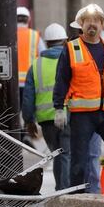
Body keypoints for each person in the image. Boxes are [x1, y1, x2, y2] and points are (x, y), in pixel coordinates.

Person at [52, 3, 104, 198]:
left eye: (96, 20)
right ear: (81, 24)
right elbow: (62, 80)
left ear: (102, 24)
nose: (92, 25)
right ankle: (76, 197)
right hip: (82, 115)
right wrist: (59, 108)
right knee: (78, 159)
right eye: (88, 21)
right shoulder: (71, 48)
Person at [23, 23, 71, 190]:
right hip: (68, 115)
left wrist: (29, 121)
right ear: (65, 42)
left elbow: (28, 97)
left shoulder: (36, 65)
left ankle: (61, 189)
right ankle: (65, 191)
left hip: (46, 121)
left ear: (47, 43)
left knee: (58, 154)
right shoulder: (71, 61)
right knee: (66, 154)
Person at [67, 12, 102, 194]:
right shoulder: (71, 52)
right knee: (87, 156)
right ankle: (85, 193)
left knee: (83, 156)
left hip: (91, 112)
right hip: (82, 113)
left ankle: (86, 193)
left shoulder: (96, 50)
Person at [16, 6, 46, 88]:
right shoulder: (35, 36)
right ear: (29, 19)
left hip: (12, 81)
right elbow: (44, 57)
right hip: (30, 80)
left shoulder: (8, 35)